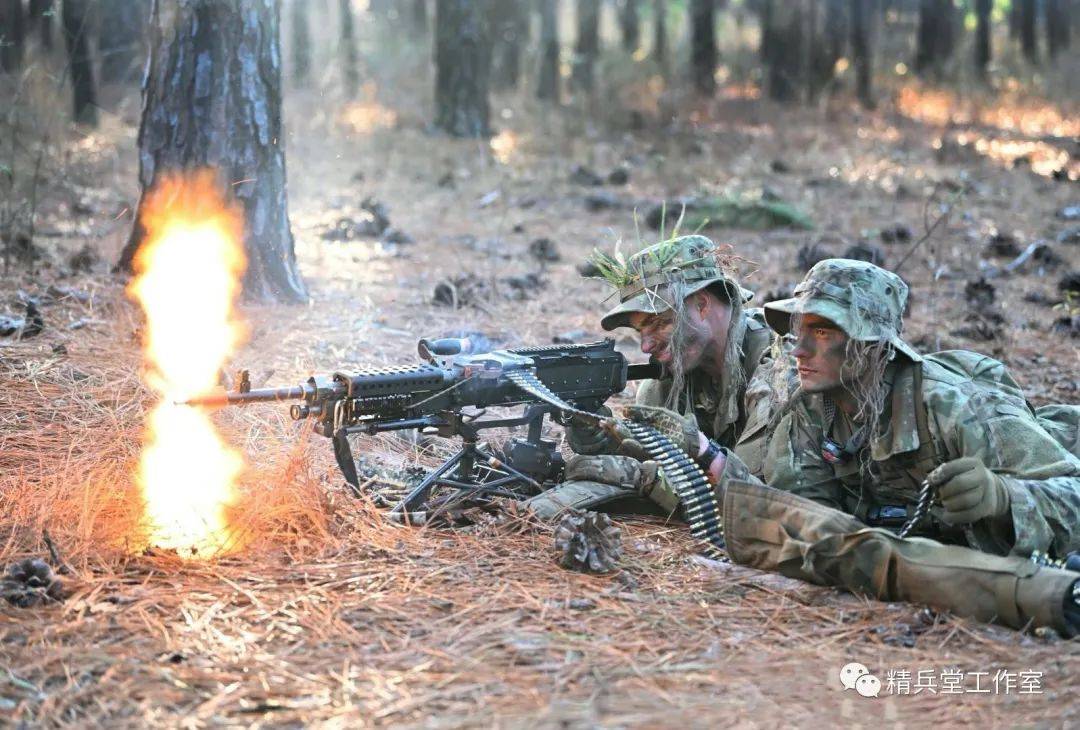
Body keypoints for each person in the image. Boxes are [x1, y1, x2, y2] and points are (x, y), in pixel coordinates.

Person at [691, 258, 1080, 636]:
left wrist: (1002, 497)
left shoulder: (956, 406)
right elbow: (808, 523)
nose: (799, 350)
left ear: (872, 344)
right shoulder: (809, 409)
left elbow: (1072, 494)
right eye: (799, 329)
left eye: (823, 331)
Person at [524, 234, 773, 518]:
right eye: (639, 331)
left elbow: (766, 507)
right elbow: (651, 455)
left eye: (658, 323)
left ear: (702, 305)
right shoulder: (671, 375)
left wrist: (645, 478)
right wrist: (598, 437)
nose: (645, 346)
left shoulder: (777, 367)